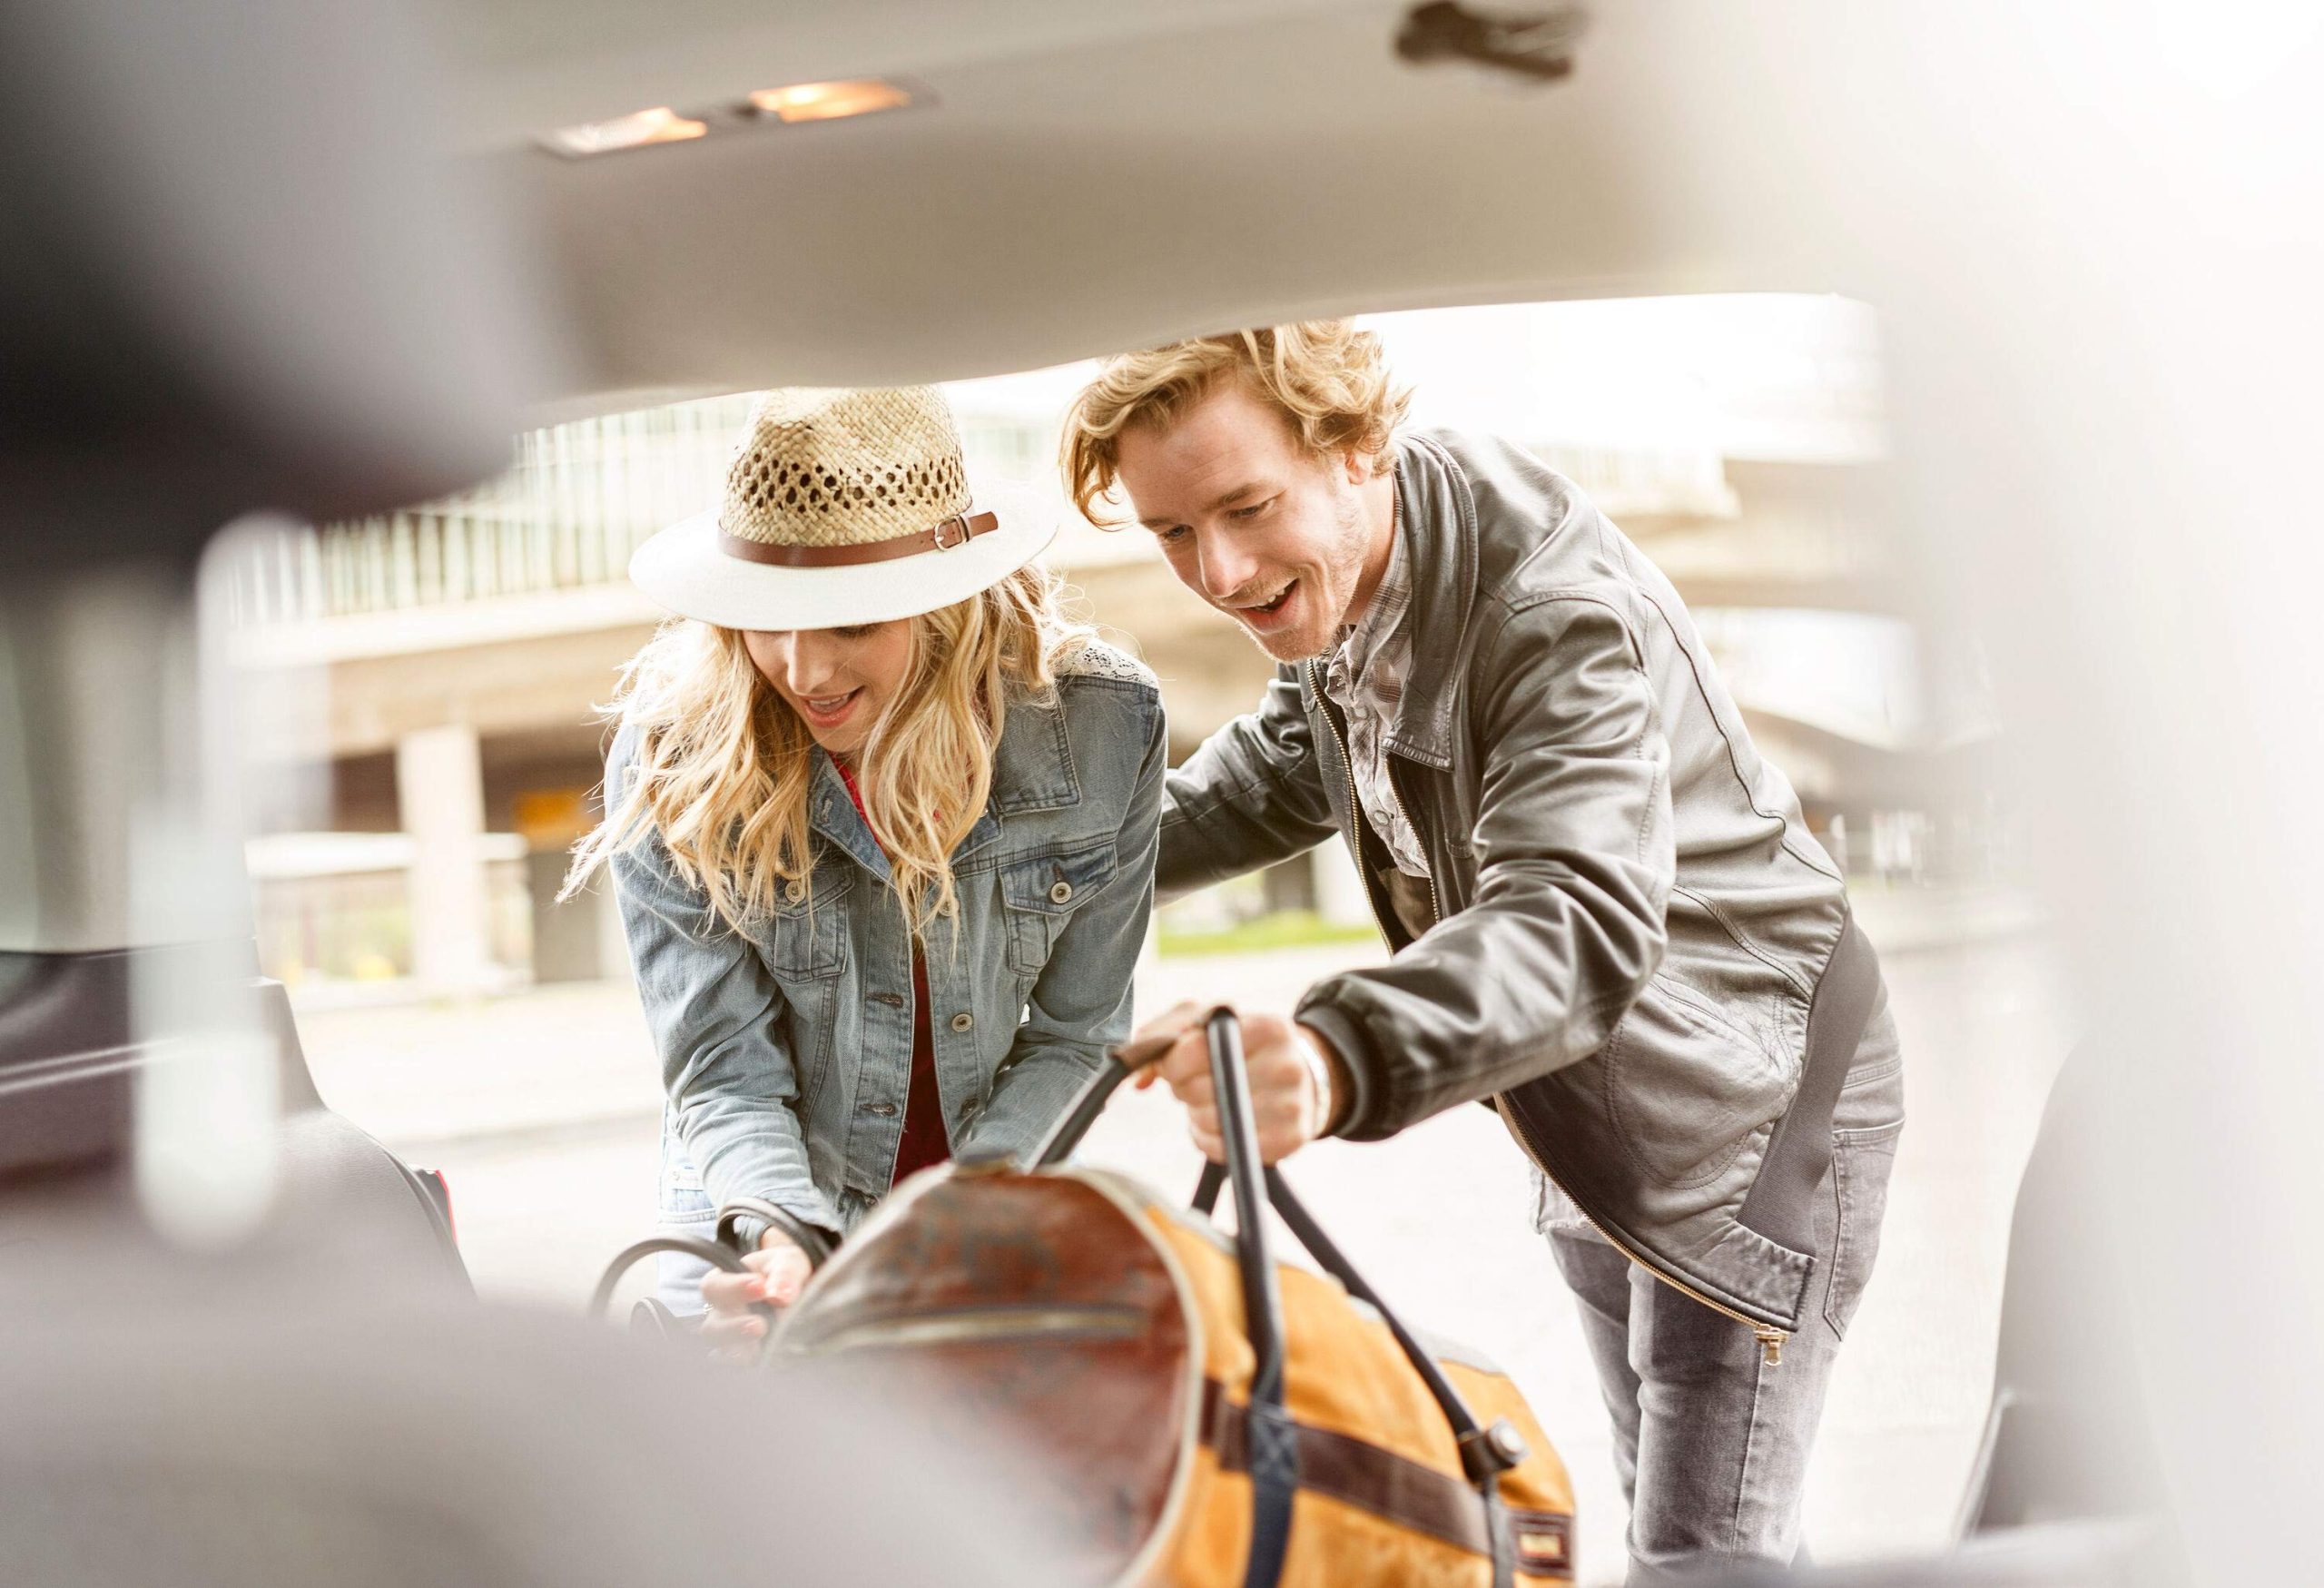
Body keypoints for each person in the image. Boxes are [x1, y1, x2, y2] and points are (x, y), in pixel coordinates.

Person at [1062, 324, 1905, 1581]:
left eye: (1244, 508)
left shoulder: (1549, 616)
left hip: (1750, 1110)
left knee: (1704, 1557)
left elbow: (1574, 918)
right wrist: (1040, 876)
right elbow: (1282, 769)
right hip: (1587, 1108)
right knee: (1676, 1516)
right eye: (1173, 533)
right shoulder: (1359, 576)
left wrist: (1344, 1048)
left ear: (1356, 447)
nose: (1222, 570)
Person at [566, 386, 1165, 1351]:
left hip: (988, 1192)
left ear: (948, 607)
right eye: (768, 620)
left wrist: (960, 1223)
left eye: (849, 624)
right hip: (758, 1195)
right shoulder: (676, 758)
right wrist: (783, 1238)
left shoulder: (1104, 725)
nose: (801, 671)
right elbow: (723, 1072)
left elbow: (1077, 1037)